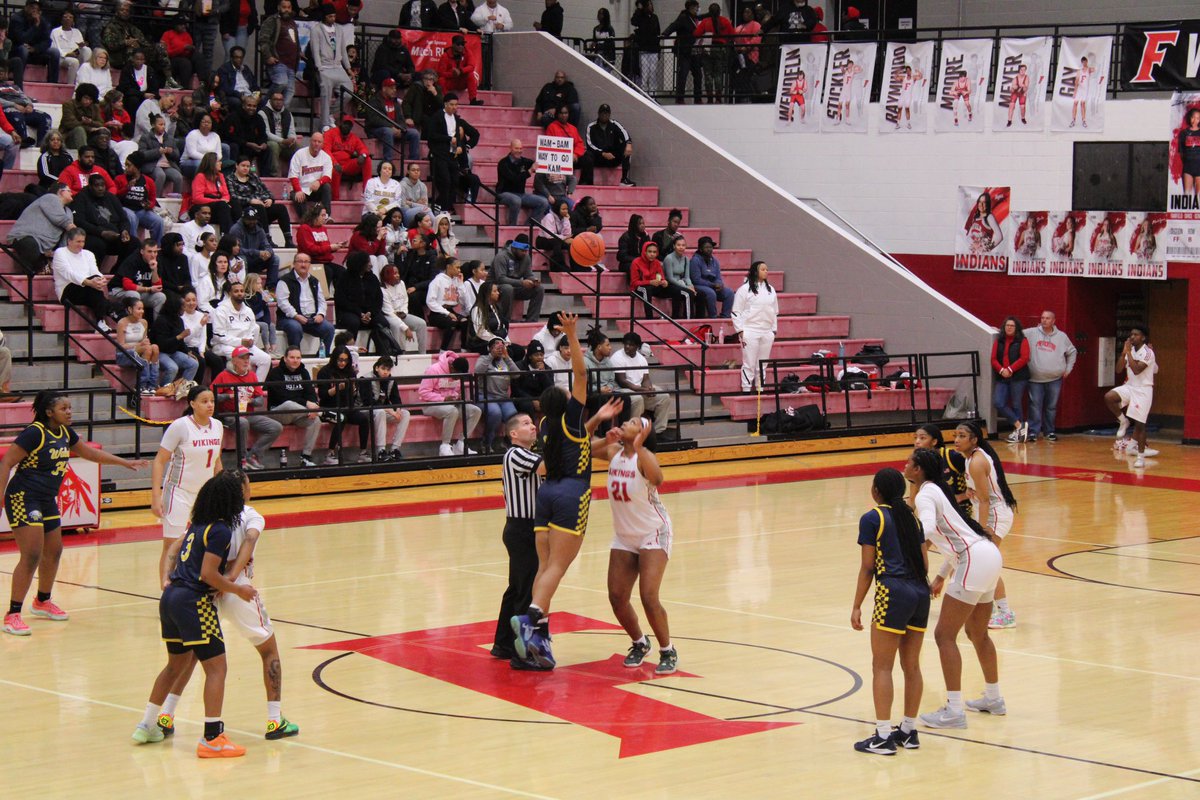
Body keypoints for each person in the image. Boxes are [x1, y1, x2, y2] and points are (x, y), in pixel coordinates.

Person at [511, 313, 623, 668]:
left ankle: (538, 632)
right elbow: (581, 374)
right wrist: (573, 335)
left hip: (545, 494)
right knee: (559, 566)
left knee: (546, 569)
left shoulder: (546, 425)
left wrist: (598, 419)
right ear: (567, 403)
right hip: (572, 493)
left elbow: (581, 439)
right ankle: (530, 619)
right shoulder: (570, 417)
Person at [154, 470, 299, 742]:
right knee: (269, 651)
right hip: (234, 589)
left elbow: (177, 547)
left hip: (202, 591)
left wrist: (166, 577)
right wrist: (231, 580)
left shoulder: (207, 515)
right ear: (243, 489)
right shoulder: (251, 514)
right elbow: (250, 540)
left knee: (194, 654)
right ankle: (274, 720)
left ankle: (167, 715)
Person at [130, 471, 255, 756]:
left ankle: (147, 724)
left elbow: (176, 550)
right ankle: (212, 738)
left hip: (171, 598)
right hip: (193, 602)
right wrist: (238, 591)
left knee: (174, 666)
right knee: (217, 668)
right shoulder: (221, 529)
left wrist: (166, 575)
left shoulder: (199, 525)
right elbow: (208, 574)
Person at [2, 390, 147, 636]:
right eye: (64, 409)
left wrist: (125, 462)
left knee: (55, 551)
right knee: (32, 555)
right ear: (49, 412)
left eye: (70, 408)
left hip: (47, 498)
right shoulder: (35, 432)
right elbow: (6, 462)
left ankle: (42, 602)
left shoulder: (65, 433)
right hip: (23, 497)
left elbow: (91, 454)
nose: (69, 412)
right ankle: (13, 614)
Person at [906, 448, 1005, 731]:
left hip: (973, 558)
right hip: (988, 555)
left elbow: (925, 529)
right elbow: (953, 538)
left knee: (944, 635)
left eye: (908, 463)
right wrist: (940, 576)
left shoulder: (925, 494)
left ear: (919, 470)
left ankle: (953, 709)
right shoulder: (939, 489)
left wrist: (906, 539)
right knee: (977, 633)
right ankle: (994, 698)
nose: (905, 466)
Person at [849, 467, 929, 755]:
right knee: (912, 666)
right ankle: (908, 730)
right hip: (920, 592)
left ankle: (883, 735)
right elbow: (925, 564)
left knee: (882, 666)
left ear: (875, 491)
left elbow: (868, 566)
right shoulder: (912, 519)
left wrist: (857, 604)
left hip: (893, 592)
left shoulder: (873, 518)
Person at [597, 414, 678, 674]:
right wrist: (598, 422)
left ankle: (667, 650)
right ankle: (639, 643)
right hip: (624, 534)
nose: (625, 423)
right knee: (617, 596)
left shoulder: (644, 457)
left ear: (643, 434)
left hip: (653, 532)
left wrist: (641, 447)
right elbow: (579, 447)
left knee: (648, 596)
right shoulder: (613, 451)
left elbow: (658, 479)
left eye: (633, 423)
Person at [151, 384, 224, 582]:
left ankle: (192, 585)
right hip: (178, 492)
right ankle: (166, 590)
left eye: (212, 401)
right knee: (172, 544)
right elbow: (159, 460)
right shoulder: (180, 426)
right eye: (204, 401)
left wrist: (224, 491)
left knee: (204, 542)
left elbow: (217, 461)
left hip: (205, 495)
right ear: (192, 404)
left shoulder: (217, 426)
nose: (210, 405)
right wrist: (156, 497)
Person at [955, 420, 1019, 630]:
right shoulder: (971, 457)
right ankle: (987, 607)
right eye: (956, 435)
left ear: (974, 440)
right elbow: (981, 494)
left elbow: (985, 500)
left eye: (962, 436)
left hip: (995, 514)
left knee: (986, 564)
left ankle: (1005, 612)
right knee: (982, 564)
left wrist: (980, 532)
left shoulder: (976, 461)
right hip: (988, 509)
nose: (957, 440)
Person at [491, 412, 542, 662]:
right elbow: (548, 466)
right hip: (523, 529)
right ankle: (524, 651)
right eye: (526, 424)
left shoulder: (528, 454)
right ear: (513, 434)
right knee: (527, 591)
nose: (533, 427)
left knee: (517, 588)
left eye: (533, 423)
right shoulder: (516, 453)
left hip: (523, 528)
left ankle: (503, 644)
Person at [212, 345, 283, 469]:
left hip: (248, 413)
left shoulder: (252, 375)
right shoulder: (223, 375)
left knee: (275, 427)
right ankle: (242, 459)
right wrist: (229, 396)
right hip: (229, 414)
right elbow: (211, 396)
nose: (246, 361)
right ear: (233, 360)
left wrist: (250, 400)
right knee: (243, 422)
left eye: (247, 358)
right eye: (242, 358)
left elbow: (260, 400)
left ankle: (253, 455)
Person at [1105, 324, 1157, 467]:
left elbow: (1137, 370)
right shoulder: (1130, 350)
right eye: (1131, 334)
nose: (1132, 337)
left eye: (1136, 335)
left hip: (1143, 390)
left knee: (1140, 424)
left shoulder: (1148, 352)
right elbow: (1118, 370)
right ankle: (1123, 421)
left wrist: (1128, 353)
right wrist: (1123, 354)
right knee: (1109, 397)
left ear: (1143, 337)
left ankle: (1140, 456)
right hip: (1130, 387)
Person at [1021, 311, 1077, 443]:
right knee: (1035, 405)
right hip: (1035, 378)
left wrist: (1068, 369)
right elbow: (1015, 332)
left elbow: (1072, 352)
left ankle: (1049, 431)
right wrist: (998, 331)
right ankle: (1033, 432)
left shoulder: (1062, 336)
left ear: (1054, 321)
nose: (1044, 320)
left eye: (1047, 318)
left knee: (1051, 406)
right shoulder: (1031, 332)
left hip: (1055, 378)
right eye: (1042, 318)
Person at [265, 346, 321, 467]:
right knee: (289, 403)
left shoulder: (304, 372)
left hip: (298, 414)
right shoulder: (275, 373)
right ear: (285, 358)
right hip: (278, 412)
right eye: (292, 357)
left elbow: (310, 392)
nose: (295, 360)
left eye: (298, 358)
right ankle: (321, 412)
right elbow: (282, 397)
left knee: (315, 420)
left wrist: (313, 404)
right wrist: (307, 405)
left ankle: (305, 457)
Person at [418, 350, 481, 456]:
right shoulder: (434, 370)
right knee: (452, 411)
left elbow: (455, 391)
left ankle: (461, 444)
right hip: (430, 404)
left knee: (476, 411)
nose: (458, 378)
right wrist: (443, 399)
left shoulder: (458, 372)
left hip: (451, 404)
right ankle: (445, 446)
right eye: (456, 376)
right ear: (451, 367)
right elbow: (423, 392)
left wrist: (457, 396)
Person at [423, 92, 478, 212]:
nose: (454, 107)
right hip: (439, 154)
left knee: (454, 181)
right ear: (445, 104)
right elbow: (432, 136)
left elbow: (456, 135)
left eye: (456, 105)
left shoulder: (456, 119)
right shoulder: (437, 117)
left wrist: (459, 146)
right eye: (452, 104)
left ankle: (445, 206)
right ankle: (442, 206)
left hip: (452, 154)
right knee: (445, 181)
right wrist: (448, 139)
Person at [315, 345, 371, 464]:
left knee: (363, 419)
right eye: (340, 360)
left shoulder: (350, 371)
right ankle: (330, 453)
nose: (342, 363)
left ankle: (363, 452)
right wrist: (336, 389)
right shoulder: (324, 372)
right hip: (328, 407)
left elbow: (354, 395)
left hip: (346, 406)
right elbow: (322, 394)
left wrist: (354, 389)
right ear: (334, 358)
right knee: (341, 418)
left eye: (345, 360)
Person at [101, 0, 177, 86]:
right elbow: (111, 45)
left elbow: (144, 42)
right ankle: (134, 81)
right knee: (132, 50)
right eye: (122, 10)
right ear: (117, 11)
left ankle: (169, 79)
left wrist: (151, 47)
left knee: (159, 47)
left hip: (136, 53)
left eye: (127, 10)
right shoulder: (111, 27)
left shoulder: (131, 27)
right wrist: (126, 43)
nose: (125, 12)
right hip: (119, 57)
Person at [611, 331, 672, 437]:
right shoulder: (617, 357)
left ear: (637, 346)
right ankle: (633, 433)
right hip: (621, 389)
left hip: (638, 388)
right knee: (638, 399)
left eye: (631, 345)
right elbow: (622, 381)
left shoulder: (642, 358)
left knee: (664, 397)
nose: (627, 347)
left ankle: (658, 432)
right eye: (626, 344)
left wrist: (649, 388)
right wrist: (642, 390)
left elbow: (646, 378)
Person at [8, 181, 73, 275]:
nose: (72, 193)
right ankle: (33, 272)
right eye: (69, 191)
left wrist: (60, 253)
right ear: (61, 192)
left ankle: (42, 265)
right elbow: (60, 219)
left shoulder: (69, 212)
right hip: (25, 236)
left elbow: (65, 236)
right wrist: (74, 229)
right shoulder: (50, 198)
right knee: (31, 246)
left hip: (47, 246)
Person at [731, 261, 778, 392]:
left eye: (767, 269)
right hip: (750, 331)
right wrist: (740, 330)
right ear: (755, 272)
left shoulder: (771, 290)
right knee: (749, 363)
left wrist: (773, 330)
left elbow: (774, 311)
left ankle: (760, 389)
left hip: (767, 332)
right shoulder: (744, 289)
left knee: (762, 364)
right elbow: (736, 311)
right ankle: (746, 389)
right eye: (763, 269)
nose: (766, 271)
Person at [276, 252, 335, 354]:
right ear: (294, 264)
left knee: (329, 328)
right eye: (300, 262)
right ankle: (295, 357)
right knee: (295, 328)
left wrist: (321, 314)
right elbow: (282, 302)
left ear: (310, 265)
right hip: (289, 318)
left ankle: (322, 357)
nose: (303, 265)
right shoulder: (285, 280)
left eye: (306, 262)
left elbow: (322, 301)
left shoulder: (314, 281)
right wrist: (296, 316)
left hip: (311, 318)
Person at [52, 227, 113, 328]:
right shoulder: (60, 252)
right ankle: (102, 321)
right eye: (78, 241)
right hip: (67, 290)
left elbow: (95, 270)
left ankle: (102, 322)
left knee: (95, 288)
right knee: (96, 292)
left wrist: (100, 279)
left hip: (89, 289)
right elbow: (68, 273)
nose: (81, 244)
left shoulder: (88, 254)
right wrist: (89, 282)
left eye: (83, 241)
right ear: (69, 241)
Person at [336, 251, 393, 355]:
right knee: (353, 322)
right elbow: (341, 300)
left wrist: (370, 313)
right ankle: (348, 353)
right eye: (368, 262)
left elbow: (378, 300)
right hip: (349, 311)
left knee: (383, 323)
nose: (371, 265)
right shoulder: (344, 277)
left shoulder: (373, 278)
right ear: (359, 263)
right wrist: (359, 313)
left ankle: (384, 354)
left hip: (370, 313)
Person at [72, 172, 138, 263]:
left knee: (134, 243)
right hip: (94, 234)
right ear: (90, 186)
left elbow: (124, 219)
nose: (100, 188)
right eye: (97, 186)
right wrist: (101, 233)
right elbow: (79, 221)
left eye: (103, 185)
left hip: (115, 235)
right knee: (97, 244)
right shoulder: (81, 197)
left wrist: (124, 230)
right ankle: (95, 272)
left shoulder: (111, 197)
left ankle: (119, 271)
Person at [358, 355, 411, 461]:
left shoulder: (391, 380)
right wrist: (390, 411)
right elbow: (368, 402)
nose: (385, 372)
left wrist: (398, 410)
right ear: (377, 367)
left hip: (381, 411)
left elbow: (396, 399)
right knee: (380, 412)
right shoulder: (365, 379)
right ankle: (381, 450)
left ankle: (394, 450)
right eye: (383, 369)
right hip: (363, 411)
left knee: (405, 414)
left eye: (388, 369)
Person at [310, 4, 354, 130]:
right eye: (330, 16)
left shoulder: (339, 29)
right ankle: (324, 123)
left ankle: (329, 113)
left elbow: (343, 50)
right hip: (325, 67)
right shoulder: (316, 30)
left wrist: (348, 68)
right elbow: (315, 50)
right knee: (326, 94)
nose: (333, 19)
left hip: (338, 67)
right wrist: (319, 67)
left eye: (334, 16)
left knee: (348, 92)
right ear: (324, 17)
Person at [473, 338, 519, 452]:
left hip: (503, 397)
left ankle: (507, 442)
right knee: (495, 413)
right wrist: (490, 356)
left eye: (501, 346)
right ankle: (486, 442)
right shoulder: (483, 359)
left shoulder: (505, 361)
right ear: (490, 348)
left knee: (512, 415)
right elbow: (478, 371)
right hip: (484, 396)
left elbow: (517, 374)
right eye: (496, 346)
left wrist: (507, 358)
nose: (499, 349)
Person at [990, 316, 1030, 443]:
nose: (1009, 328)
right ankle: (1020, 426)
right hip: (1002, 377)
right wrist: (1002, 370)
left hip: (1018, 377)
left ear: (1016, 328)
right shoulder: (999, 341)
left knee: (1016, 403)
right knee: (998, 402)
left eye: (1012, 326)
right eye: (1007, 325)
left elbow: (1024, 358)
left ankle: (1018, 433)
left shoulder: (1022, 340)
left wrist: (1010, 369)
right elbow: (993, 359)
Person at [365, 77, 421, 163]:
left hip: (394, 129)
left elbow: (401, 119)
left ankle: (413, 162)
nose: (394, 90)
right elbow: (374, 119)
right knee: (388, 131)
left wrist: (401, 129)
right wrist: (391, 127)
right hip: (376, 130)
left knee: (415, 133)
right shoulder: (374, 101)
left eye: (395, 88)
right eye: (391, 88)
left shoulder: (395, 102)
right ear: (384, 88)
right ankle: (388, 161)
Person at [114, 297, 163, 394]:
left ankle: (152, 385)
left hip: (141, 351)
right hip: (124, 355)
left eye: (143, 309)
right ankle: (141, 385)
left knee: (155, 347)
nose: (142, 311)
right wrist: (139, 345)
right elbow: (121, 346)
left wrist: (144, 343)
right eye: (139, 309)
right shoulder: (122, 323)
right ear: (130, 309)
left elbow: (144, 341)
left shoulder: (144, 322)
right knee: (147, 349)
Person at [151, 292, 201, 387]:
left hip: (173, 352)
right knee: (172, 368)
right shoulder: (161, 321)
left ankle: (183, 388)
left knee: (193, 363)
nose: (184, 308)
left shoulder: (179, 320)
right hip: (160, 352)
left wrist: (188, 352)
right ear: (175, 307)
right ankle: (164, 388)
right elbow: (161, 344)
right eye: (182, 306)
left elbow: (180, 343)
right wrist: (179, 337)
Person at [496, 139, 550, 226]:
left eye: (521, 148)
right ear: (510, 148)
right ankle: (512, 227)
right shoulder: (503, 163)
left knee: (543, 202)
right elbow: (514, 179)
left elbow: (539, 164)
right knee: (516, 200)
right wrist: (529, 171)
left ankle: (529, 227)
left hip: (521, 194)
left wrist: (548, 167)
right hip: (504, 193)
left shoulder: (524, 161)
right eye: (516, 148)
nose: (519, 151)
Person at [491, 234, 544, 323]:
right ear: (514, 248)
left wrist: (533, 280)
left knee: (539, 289)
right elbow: (500, 279)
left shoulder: (526, 257)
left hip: (516, 288)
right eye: (522, 251)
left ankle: (531, 321)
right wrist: (522, 283)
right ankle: (504, 321)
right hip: (498, 288)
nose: (524, 253)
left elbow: (528, 274)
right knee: (508, 288)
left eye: (526, 251)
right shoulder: (501, 257)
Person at [112, 237, 167, 321]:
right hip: (118, 290)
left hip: (140, 291)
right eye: (149, 251)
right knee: (134, 295)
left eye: (155, 252)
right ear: (142, 251)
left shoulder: (157, 261)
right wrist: (148, 289)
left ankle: (157, 328)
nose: (153, 255)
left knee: (161, 297)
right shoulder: (133, 260)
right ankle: (134, 325)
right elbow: (127, 285)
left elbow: (157, 287)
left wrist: (154, 270)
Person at [116, 153, 166, 245]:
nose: (126, 167)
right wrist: (127, 188)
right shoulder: (119, 179)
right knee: (132, 217)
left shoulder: (148, 181)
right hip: (125, 208)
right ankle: (134, 247)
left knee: (158, 221)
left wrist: (148, 205)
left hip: (141, 210)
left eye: (129, 165)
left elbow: (152, 199)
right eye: (125, 165)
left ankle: (156, 247)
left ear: (136, 167)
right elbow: (115, 197)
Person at [259, 0, 299, 106]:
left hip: (291, 64)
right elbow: (263, 40)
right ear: (278, 8)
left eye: (289, 7)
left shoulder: (293, 22)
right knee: (281, 83)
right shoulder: (272, 20)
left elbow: (295, 41)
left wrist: (299, 52)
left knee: (290, 93)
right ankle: (262, 106)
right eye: (284, 7)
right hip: (277, 61)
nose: (286, 9)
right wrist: (268, 56)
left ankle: (280, 116)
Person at [380, 263, 427, 353]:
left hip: (402, 313)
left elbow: (405, 300)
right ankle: (400, 352)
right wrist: (405, 328)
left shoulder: (401, 283)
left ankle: (422, 353)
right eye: (395, 273)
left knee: (422, 323)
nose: (398, 275)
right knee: (398, 326)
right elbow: (388, 311)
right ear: (387, 275)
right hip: (390, 316)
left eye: (398, 273)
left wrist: (404, 312)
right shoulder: (382, 289)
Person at [10, 0, 59, 88]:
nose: (35, 11)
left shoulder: (41, 20)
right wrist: (35, 27)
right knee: (23, 49)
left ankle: (53, 85)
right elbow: (21, 39)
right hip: (17, 51)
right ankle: (18, 83)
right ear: (26, 7)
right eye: (32, 7)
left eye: (37, 9)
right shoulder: (16, 18)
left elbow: (47, 41)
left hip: (35, 51)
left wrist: (35, 48)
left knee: (54, 52)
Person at [583, 104, 634, 186]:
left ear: (609, 114)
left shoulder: (614, 124)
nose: (604, 115)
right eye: (602, 113)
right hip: (598, 158)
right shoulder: (591, 127)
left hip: (612, 157)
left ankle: (624, 179)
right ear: (598, 114)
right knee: (587, 154)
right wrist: (603, 153)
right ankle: (589, 182)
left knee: (627, 147)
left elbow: (625, 134)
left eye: (606, 113)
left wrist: (628, 143)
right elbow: (590, 145)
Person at [631, 240, 684, 318]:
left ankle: (675, 317)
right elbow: (634, 282)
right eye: (650, 251)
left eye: (654, 252)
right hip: (639, 288)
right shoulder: (636, 262)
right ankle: (649, 318)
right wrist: (649, 282)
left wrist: (664, 282)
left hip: (654, 286)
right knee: (646, 290)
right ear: (644, 252)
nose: (652, 254)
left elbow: (661, 276)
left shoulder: (657, 263)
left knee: (676, 290)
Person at [425, 256, 469, 351]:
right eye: (457, 267)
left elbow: (464, 300)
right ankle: (443, 350)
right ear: (449, 267)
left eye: (459, 267)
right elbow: (430, 301)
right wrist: (447, 313)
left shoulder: (456, 280)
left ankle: (464, 349)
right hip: (437, 313)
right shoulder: (437, 280)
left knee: (465, 321)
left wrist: (461, 284)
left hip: (450, 310)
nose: (459, 270)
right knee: (452, 322)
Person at [297, 204, 346, 283]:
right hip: (312, 261)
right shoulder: (304, 228)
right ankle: (323, 295)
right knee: (328, 271)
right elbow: (310, 249)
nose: (325, 218)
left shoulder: (323, 228)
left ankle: (338, 295)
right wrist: (330, 247)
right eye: (322, 215)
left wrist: (337, 246)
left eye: (325, 215)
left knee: (342, 271)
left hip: (325, 261)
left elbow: (325, 247)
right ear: (315, 216)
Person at [139, 113, 184, 198]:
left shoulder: (169, 138)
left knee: (178, 177)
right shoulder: (146, 137)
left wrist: (171, 152)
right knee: (160, 175)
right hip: (153, 166)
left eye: (164, 124)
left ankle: (176, 201)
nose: (163, 127)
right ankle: (155, 200)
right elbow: (142, 154)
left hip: (168, 165)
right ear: (153, 125)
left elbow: (177, 155)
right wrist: (158, 152)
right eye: (160, 124)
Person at [289, 131, 334, 215]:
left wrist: (319, 182)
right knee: (298, 196)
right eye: (314, 141)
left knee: (326, 187)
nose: (316, 144)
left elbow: (327, 176)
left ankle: (326, 216)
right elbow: (293, 175)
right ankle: (306, 220)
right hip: (300, 188)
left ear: (323, 144)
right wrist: (298, 190)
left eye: (319, 142)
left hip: (315, 189)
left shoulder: (326, 157)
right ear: (310, 141)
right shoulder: (299, 154)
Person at [545, 104, 589, 188]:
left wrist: (575, 154)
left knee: (588, 157)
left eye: (565, 113)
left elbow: (579, 144)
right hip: (559, 159)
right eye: (561, 113)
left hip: (573, 158)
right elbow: (549, 146)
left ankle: (584, 183)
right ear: (557, 114)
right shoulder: (552, 127)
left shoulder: (573, 128)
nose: (564, 115)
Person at [689, 236, 733, 318]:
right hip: (699, 285)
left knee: (729, 292)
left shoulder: (715, 260)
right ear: (700, 249)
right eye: (706, 247)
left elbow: (718, 276)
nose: (709, 249)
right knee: (711, 293)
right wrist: (712, 285)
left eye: (710, 247)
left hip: (713, 285)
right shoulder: (695, 260)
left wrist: (719, 284)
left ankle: (725, 316)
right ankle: (713, 317)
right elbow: (696, 279)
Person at [260, 91, 299, 179]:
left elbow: (292, 131)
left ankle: (295, 175)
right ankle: (275, 176)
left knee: (297, 146)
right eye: (276, 99)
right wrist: (282, 141)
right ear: (270, 100)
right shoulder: (263, 113)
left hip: (284, 142)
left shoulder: (287, 113)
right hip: (269, 142)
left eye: (281, 100)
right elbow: (267, 133)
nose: (278, 102)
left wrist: (292, 139)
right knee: (273, 145)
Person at [513, 340, 553, 417]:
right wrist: (532, 400)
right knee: (527, 405)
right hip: (523, 398)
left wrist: (542, 373)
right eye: (536, 355)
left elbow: (550, 389)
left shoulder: (547, 368)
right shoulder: (519, 366)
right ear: (530, 356)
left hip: (541, 398)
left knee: (554, 402)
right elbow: (516, 389)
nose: (539, 358)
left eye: (541, 355)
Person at [51, 9, 91, 85]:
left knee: (87, 50)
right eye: (65, 17)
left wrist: (82, 45)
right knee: (74, 62)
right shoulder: (55, 31)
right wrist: (67, 54)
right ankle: (71, 85)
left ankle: (84, 78)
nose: (68, 19)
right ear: (61, 19)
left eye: (70, 17)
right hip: (62, 57)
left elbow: (80, 46)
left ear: (73, 20)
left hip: (75, 54)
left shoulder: (77, 31)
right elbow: (55, 48)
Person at [662, 235, 696, 318]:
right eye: (678, 245)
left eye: (683, 245)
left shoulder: (686, 259)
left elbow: (687, 277)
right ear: (674, 246)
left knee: (701, 294)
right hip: (670, 284)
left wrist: (691, 286)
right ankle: (688, 319)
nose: (681, 247)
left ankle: (700, 319)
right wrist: (686, 287)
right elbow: (670, 278)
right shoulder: (669, 258)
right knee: (689, 293)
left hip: (681, 283)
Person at [181, 114, 224, 180]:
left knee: (221, 164)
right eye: (203, 122)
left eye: (209, 122)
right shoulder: (193, 134)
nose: (206, 124)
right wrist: (208, 161)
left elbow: (219, 154)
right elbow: (192, 153)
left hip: (211, 162)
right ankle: (199, 184)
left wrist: (213, 161)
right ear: (199, 122)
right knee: (200, 164)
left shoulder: (215, 136)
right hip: (190, 162)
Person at [630, 0, 661, 91]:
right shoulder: (640, 17)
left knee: (653, 73)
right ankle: (643, 94)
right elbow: (633, 21)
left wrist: (658, 49)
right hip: (643, 49)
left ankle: (652, 95)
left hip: (653, 49)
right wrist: (639, 9)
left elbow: (657, 33)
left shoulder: (655, 17)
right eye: (648, 5)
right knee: (644, 73)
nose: (651, 6)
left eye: (651, 4)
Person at [537, 198, 574, 272]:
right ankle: (559, 266)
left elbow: (568, 234)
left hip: (557, 239)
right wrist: (564, 238)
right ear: (557, 209)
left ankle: (575, 266)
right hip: (543, 240)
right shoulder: (549, 217)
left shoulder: (564, 218)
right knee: (557, 242)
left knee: (573, 243)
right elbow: (549, 235)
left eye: (566, 209)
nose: (565, 211)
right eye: (563, 209)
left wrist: (566, 220)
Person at [397, 162, 431, 226]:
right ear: (408, 172)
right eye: (413, 170)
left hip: (420, 213)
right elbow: (403, 204)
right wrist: (418, 203)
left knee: (427, 210)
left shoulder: (422, 186)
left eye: (418, 170)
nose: (416, 172)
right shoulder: (402, 185)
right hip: (406, 212)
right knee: (427, 210)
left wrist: (411, 203)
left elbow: (425, 204)